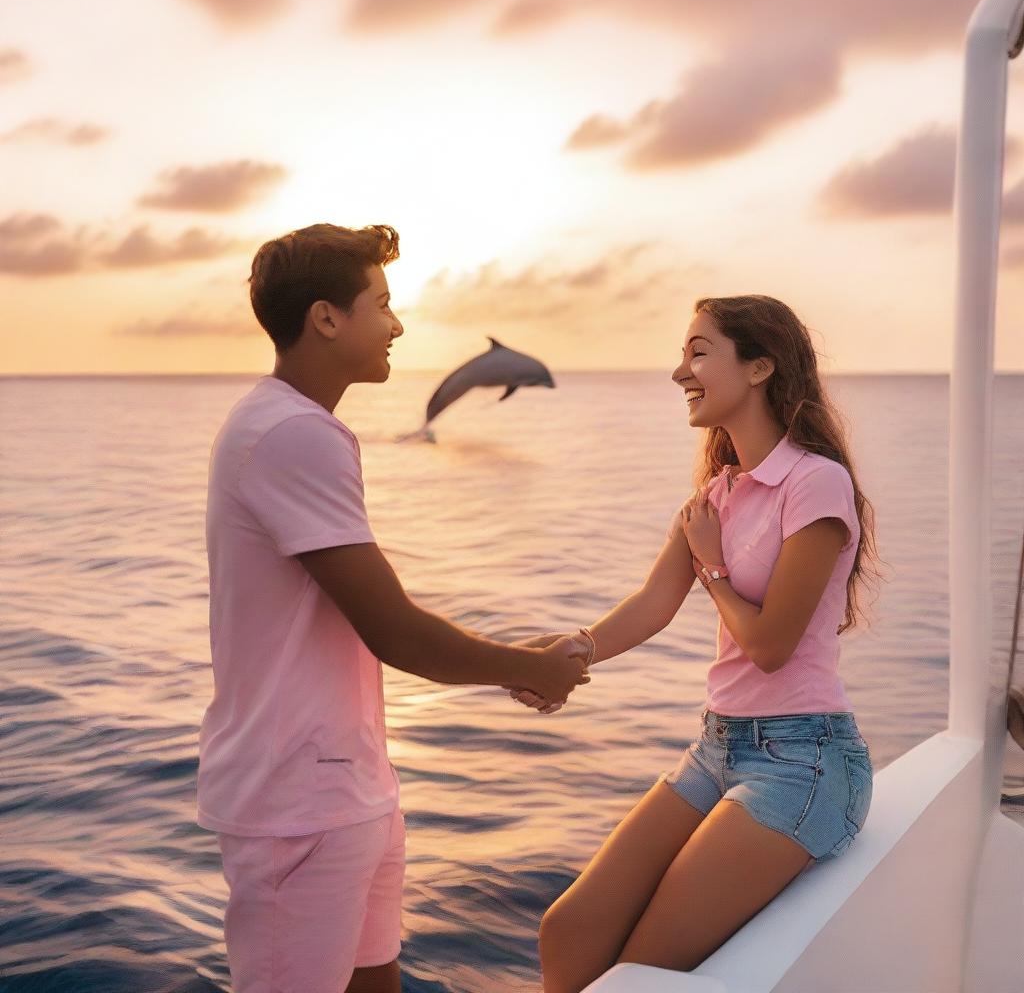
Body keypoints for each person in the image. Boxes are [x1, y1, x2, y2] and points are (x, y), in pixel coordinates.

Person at [196, 222, 589, 993]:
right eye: (381, 303)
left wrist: (520, 656)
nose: (398, 324)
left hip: (350, 785)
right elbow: (393, 630)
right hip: (298, 804)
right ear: (326, 318)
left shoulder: (302, 428)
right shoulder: (289, 434)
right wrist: (528, 666)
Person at [511, 295, 882, 992]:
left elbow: (770, 645)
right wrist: (573, 650)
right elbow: (654, 603)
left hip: (803, 762)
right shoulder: (719, 493)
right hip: (718, 748)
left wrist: (710, 567)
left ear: (761, 366)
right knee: (569, 930)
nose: (679, 370)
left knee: (640, 972)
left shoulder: (816, 484)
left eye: (699, 352)